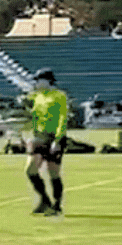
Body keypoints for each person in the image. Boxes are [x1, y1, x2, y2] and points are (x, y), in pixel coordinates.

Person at [24, 69, 69, 216]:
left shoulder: (59, 96)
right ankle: (45, 200)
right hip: (39, 137)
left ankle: (56, 205)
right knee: (30, 169)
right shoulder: (37, 97)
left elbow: (62, 118)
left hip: (53, 136)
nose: (36, 83)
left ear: (47, 81)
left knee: (53, 172)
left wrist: (58, 139)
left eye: (38, 80)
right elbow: (34, 117)